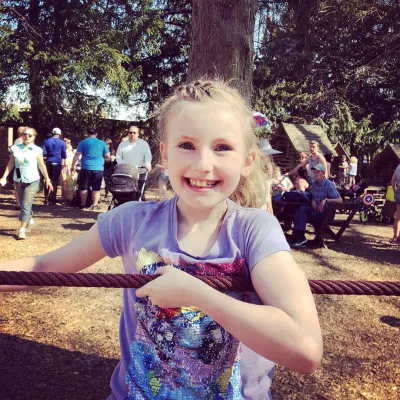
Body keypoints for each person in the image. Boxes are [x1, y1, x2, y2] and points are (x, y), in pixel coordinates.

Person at [0, 80, 323, 398]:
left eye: (222, 147)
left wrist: (200, 295)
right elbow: (44, 265)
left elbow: (305, 351)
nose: (203, 164)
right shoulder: (130, 221)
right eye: (187, 145)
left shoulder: (255, 230)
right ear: (165, 155)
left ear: (247, 161)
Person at [0, 127, 53, 239]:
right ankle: (30, 220)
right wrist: (4, 177)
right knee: (22, 204)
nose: (26, 137)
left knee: (25, 204)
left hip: (32, 180)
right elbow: (11, 164)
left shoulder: (37, 150)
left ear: (34, 137)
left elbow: (41, 165)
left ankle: (22, 230)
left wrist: (47, 179)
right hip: (18, 180)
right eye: (25, 134)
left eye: (29, 135)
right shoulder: (15, 148)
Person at [291, 164, 342, 248]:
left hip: (326, 214)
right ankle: (298, 237)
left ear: (323, 173)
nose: (315, 174)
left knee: (303, 211)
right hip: (315, 211)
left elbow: (340, 200)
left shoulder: (329, 184)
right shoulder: (314, 184)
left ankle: (299, 238)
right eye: (314, 172)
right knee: (301, 209)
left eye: (317, 172)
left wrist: (326, 200)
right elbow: (311, 195)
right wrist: (313, 200)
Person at [71, 127, 110, 210]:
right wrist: (103, 160)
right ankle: (95, 205)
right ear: (96, 134)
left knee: (83, 187)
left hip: (86, 167)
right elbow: (108, 157)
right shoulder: (102, 143)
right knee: (96, 188)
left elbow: (77, 155)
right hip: (98, 168)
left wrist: (73, 165)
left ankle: (82, 205)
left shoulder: (83, 142)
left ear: (88, 134)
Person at [42, 127, 67, 205]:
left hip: (49, 162)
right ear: (59, 134)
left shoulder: (46, 141)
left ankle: (46, 199)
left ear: (52, 133)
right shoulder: (62, 143)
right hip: (57, 162)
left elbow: (43, 153)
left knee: (47, 180)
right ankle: (53, 200)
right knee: (55, 181)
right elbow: (64, 155)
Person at [391, 164, 400, 243]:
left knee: (398, 217)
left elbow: (393, 181)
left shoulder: (398, 167)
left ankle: (395, 236)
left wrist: (395, 191)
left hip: (398, 191)